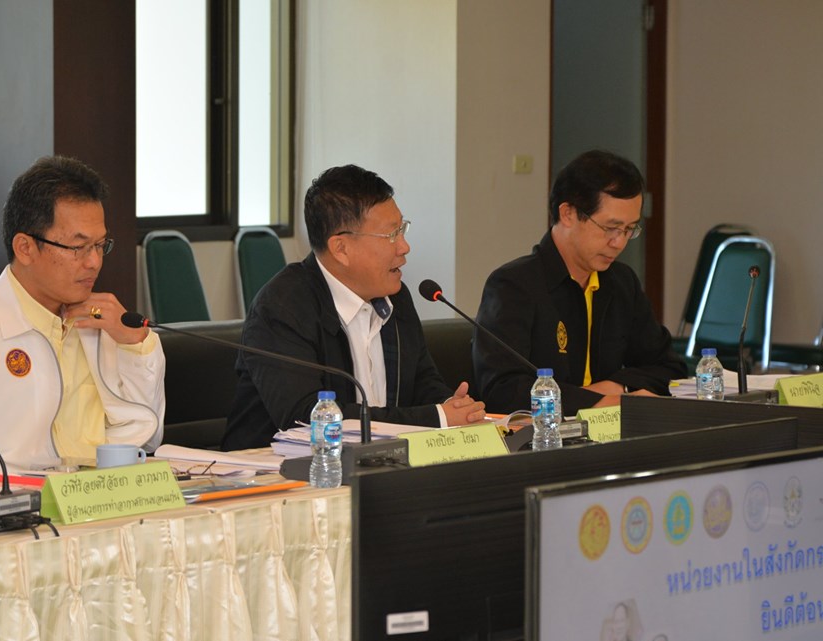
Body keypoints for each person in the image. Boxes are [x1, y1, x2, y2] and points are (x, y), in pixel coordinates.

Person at [0, 156, 165, 471]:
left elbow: (148, 438)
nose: (94, 262)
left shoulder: (106, 324)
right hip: (21, 498)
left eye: (100, 245)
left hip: (106, 491)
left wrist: (134, 345)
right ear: (25, 248)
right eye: (78, 247)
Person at [223, 164, 485, 451]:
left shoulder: (395, 297)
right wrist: (437, 418)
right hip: (276, 471)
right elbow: (306, 419)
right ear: (341, 249)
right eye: (391, 235)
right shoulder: (281, 308)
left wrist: (451, 405)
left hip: (378, 465)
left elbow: (421, 381)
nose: (404, 246)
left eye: (402, 229)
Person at [474, 150, 686, 416]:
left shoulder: (622, 282)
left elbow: (669, 367)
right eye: (610, 228)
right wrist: (594, 402)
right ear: (568, 214)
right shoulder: (513, 285)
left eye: (629, 229)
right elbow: (502, 390)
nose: (619, 242)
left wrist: (614, 387)